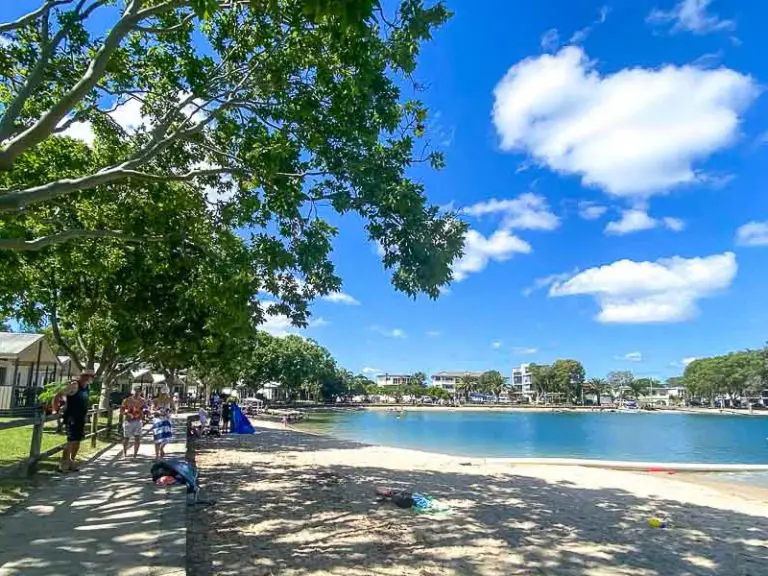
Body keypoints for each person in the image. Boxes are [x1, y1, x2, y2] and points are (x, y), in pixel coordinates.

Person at [59, 369, 95, 473]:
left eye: (91, 376)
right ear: (83, 376)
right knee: (70, 441)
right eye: (87, 375)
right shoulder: (75, 385)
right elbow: (60, 394)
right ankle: (63, 464)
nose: (89, 378)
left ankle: (72, 462)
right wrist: (55, 408)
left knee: (77, 441)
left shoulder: (87, 388)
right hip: (72, 417)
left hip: (80, 418)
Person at [121, 389, 145, 458]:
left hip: (138, 421)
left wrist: (143, 414)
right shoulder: (127, 400)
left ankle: (135, 455)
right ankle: (124, 453)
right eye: (136, 392)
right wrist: (127, 413)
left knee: (137, 438)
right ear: (132, 392)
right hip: (128, 421)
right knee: (126, 438)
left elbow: (146, 409)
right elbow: (122, 410)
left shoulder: (143, 400)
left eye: (139, 392)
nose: (137, 393)